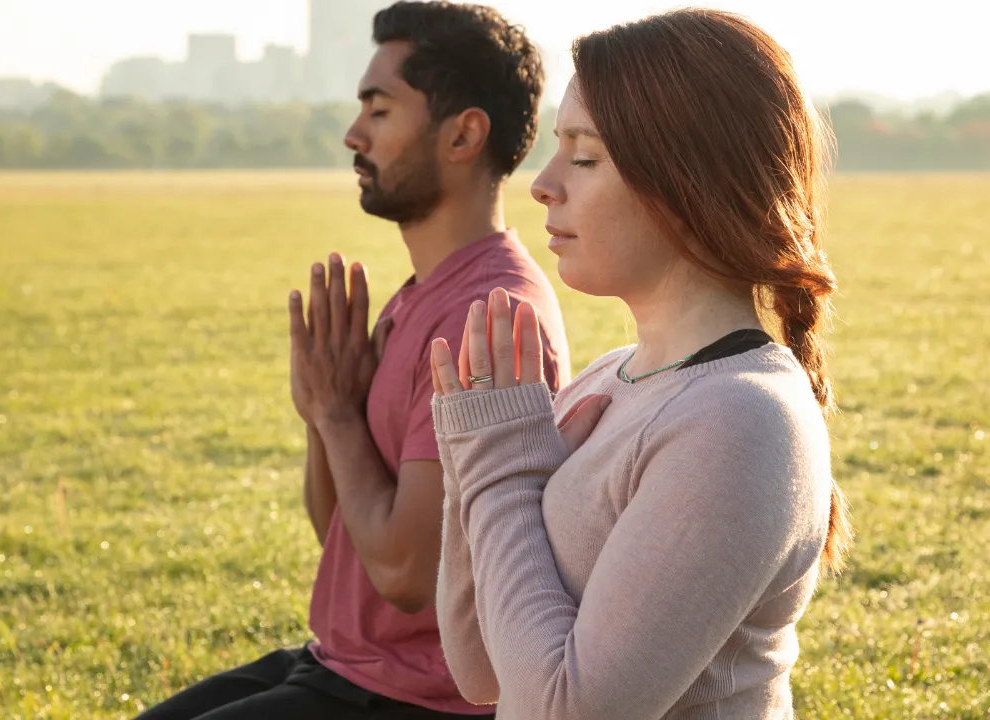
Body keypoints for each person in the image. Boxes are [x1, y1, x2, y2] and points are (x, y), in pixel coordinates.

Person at [137, 3, 568, 718]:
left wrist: (338, 414)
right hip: (341, 664)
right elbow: (342, 534)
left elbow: (404, 570)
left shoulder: (481, 313)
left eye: (379, 110)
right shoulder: (421, 296)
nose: (353, 135)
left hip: (420, 698)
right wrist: (320, 411)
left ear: (463, 133)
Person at [425, 9, 851, 719]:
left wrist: (498, 460)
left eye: (584, 156)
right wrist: (473, 462)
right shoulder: (612, 378)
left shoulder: (741, 421)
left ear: (686, 181)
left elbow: (564, 710)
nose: (544, 183)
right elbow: (477, 668)